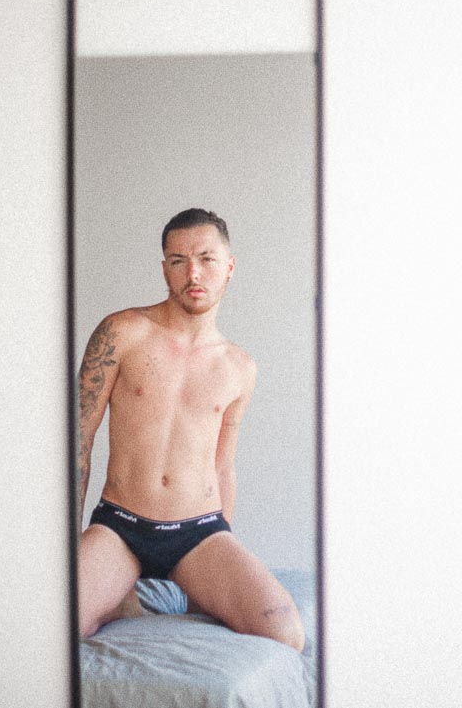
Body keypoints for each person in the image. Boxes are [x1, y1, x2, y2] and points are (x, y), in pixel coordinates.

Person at [76, 208, 304, 650]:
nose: (193, 273)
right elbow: (77, 443)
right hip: (120, 527)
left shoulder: (239, 366)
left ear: (229, 267)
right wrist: (68, 549)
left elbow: (223, 467)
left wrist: (221, 555)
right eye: (178, 261)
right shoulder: (122, 332)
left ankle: (166, 588)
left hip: (198, 532)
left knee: (285, 632)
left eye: (206, 259)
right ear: (164, 268)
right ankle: (119, 598)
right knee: (56, 624)